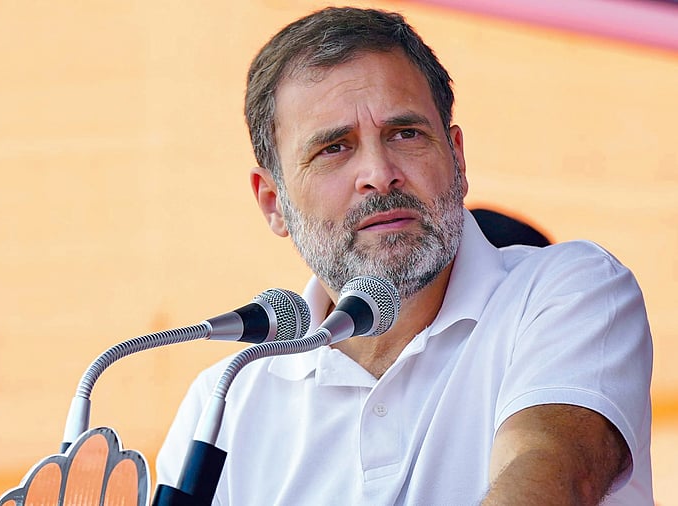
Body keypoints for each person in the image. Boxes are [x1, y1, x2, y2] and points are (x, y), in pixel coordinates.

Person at [156, 7, 653, 505]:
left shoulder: (568, 289)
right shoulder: (223, 403)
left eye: (405, 134)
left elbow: (553, 479)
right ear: (273, 202)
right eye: (334, 148)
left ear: (457, 157)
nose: (378, 171)